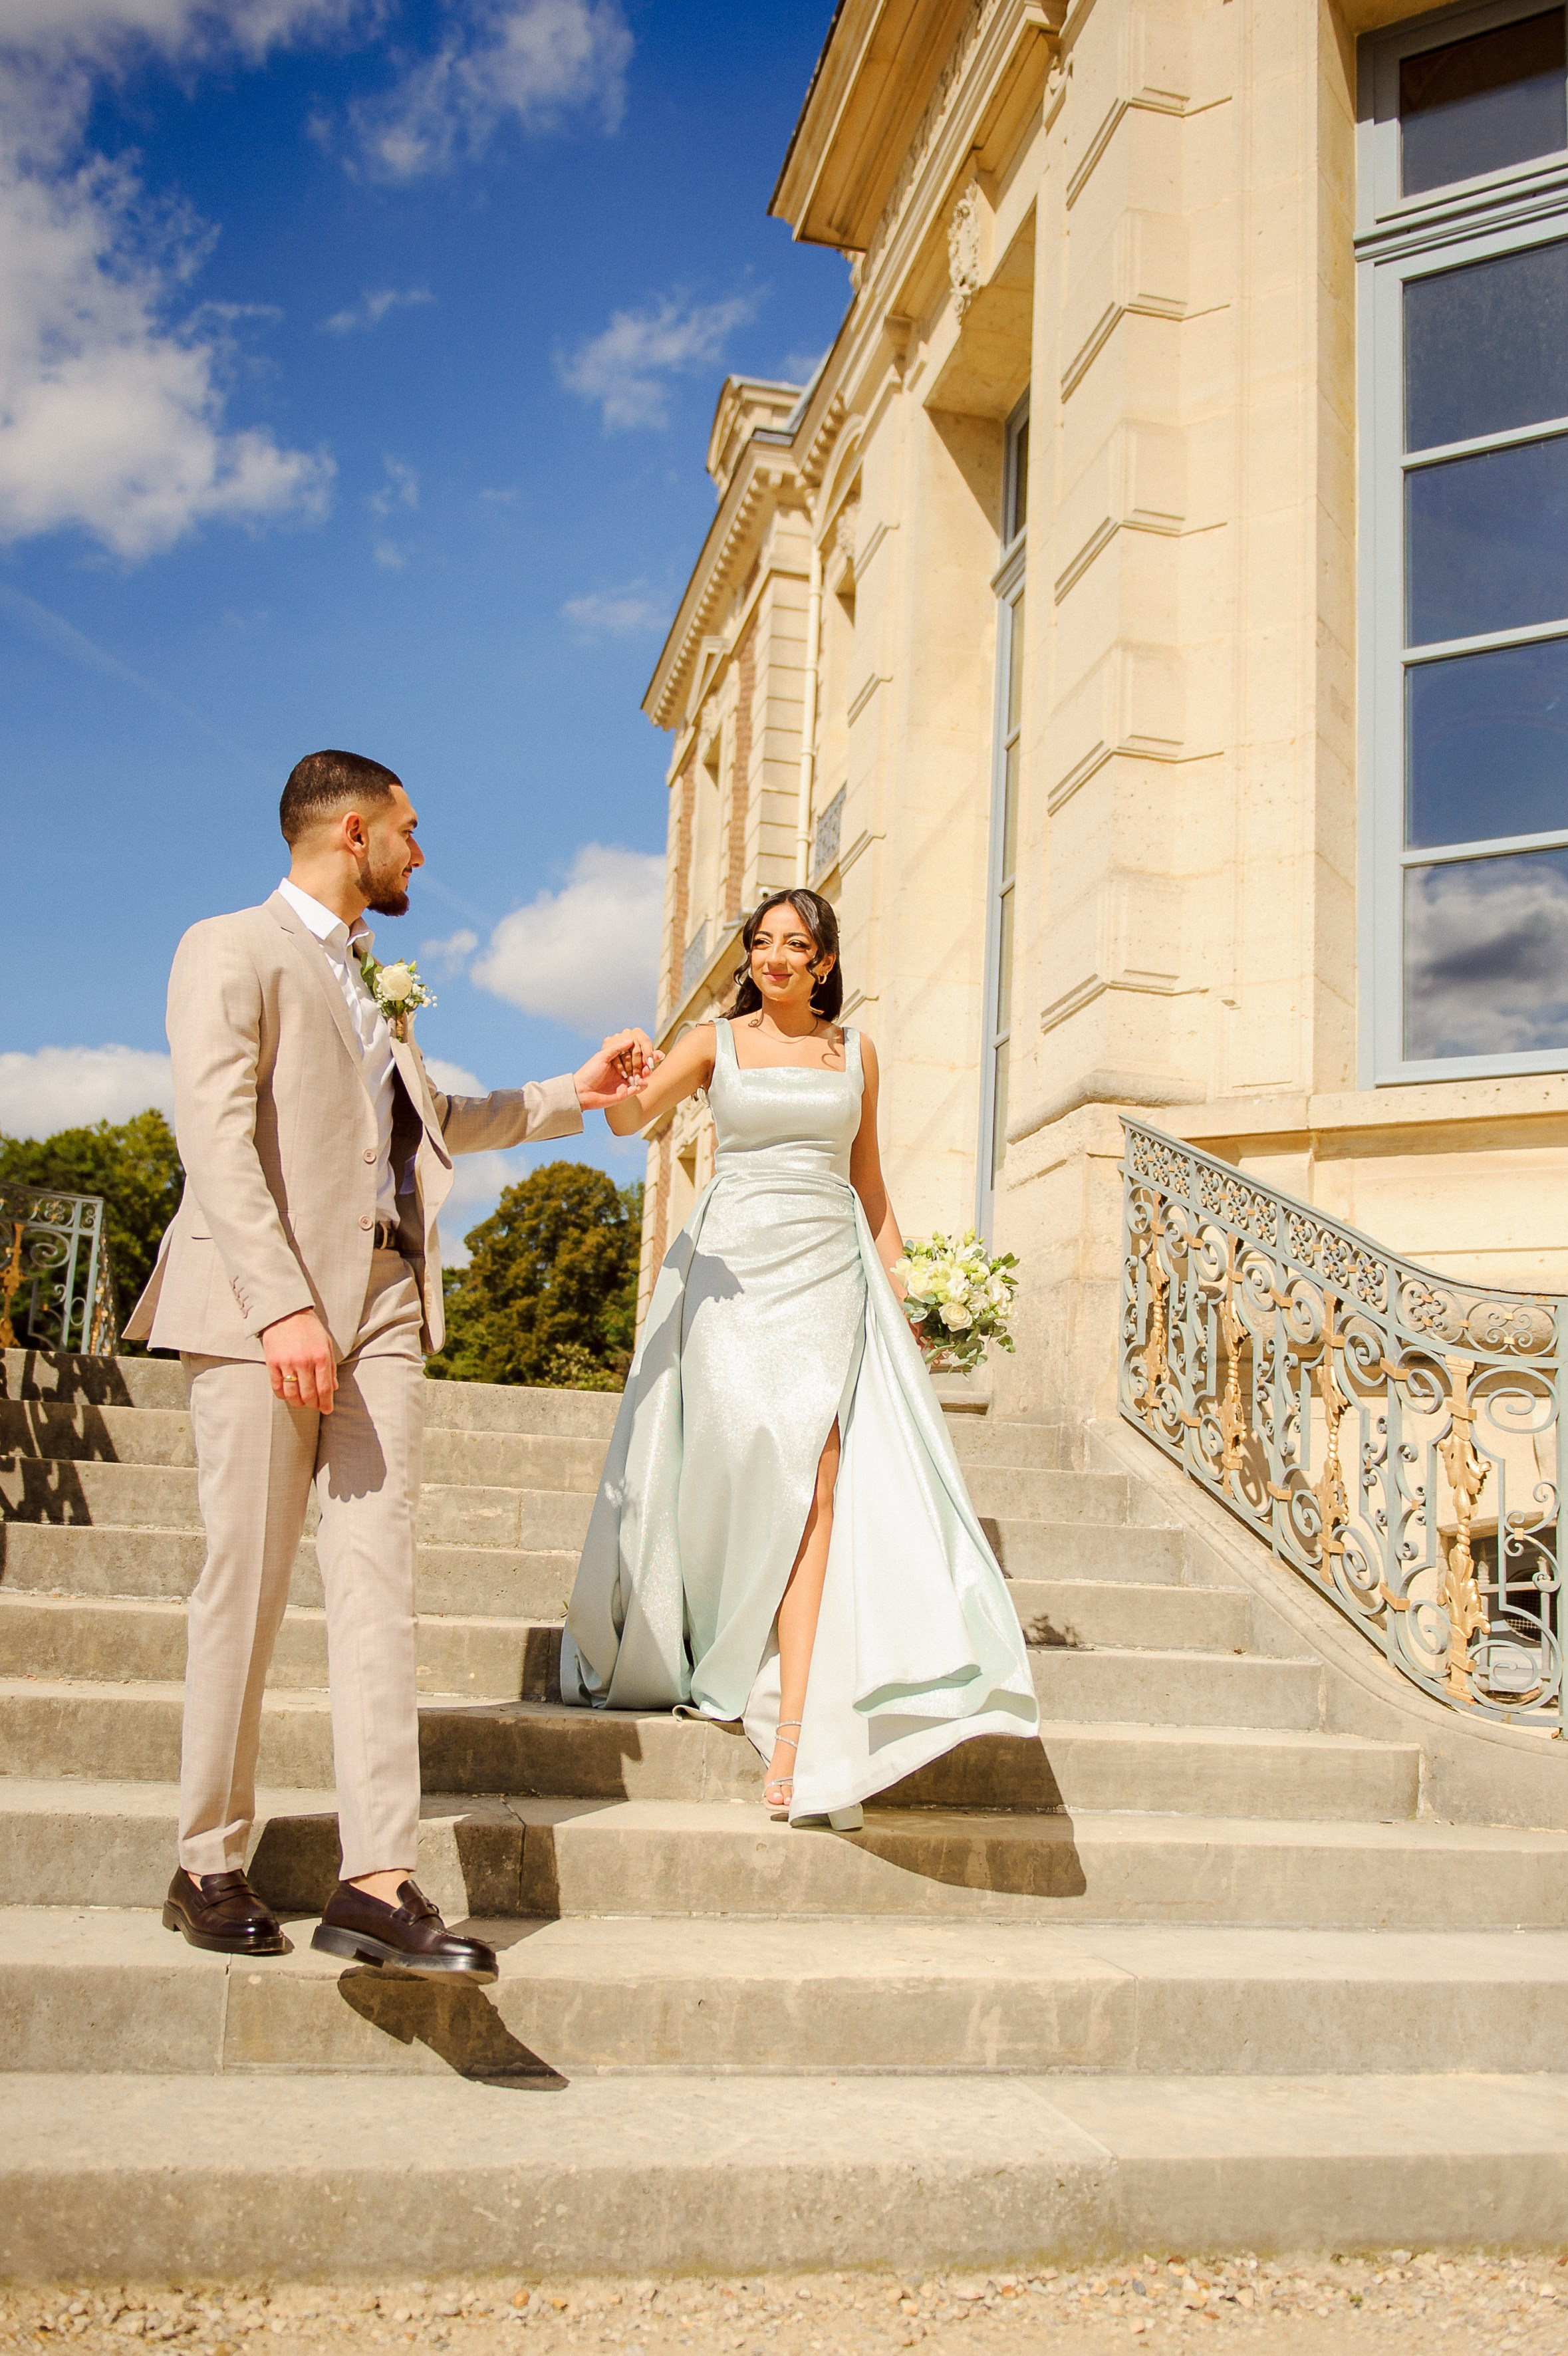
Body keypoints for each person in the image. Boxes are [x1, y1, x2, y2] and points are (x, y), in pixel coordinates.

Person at [126, 749, 653, 1978]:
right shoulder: (230, 946)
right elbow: (213, 1137)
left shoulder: (381, 984)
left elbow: (436, 1121)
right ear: (352, 829)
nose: (424, 852)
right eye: (411, 830)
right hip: (267, 1306)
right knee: (245, 1586)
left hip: (386, 1301)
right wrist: (279, 1310)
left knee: (379, 1588)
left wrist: (566, 1094)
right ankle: (205, 1860)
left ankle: (378, 1879)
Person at [560, 888, 1038, 1825]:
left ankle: (794, 1730)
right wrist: (617, 1072)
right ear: (751, 957)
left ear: (823, 962)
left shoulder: (852, 1050)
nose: (776, 957)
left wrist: (909, 1292)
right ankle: (719, 1633)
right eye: (762, 943)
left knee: (817, 1474)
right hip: (730, 1276)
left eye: (796, 944)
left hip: (827, 1272)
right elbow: (627, 1125)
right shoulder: (712, 1040)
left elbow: (868, 1183)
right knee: (748, 1461)